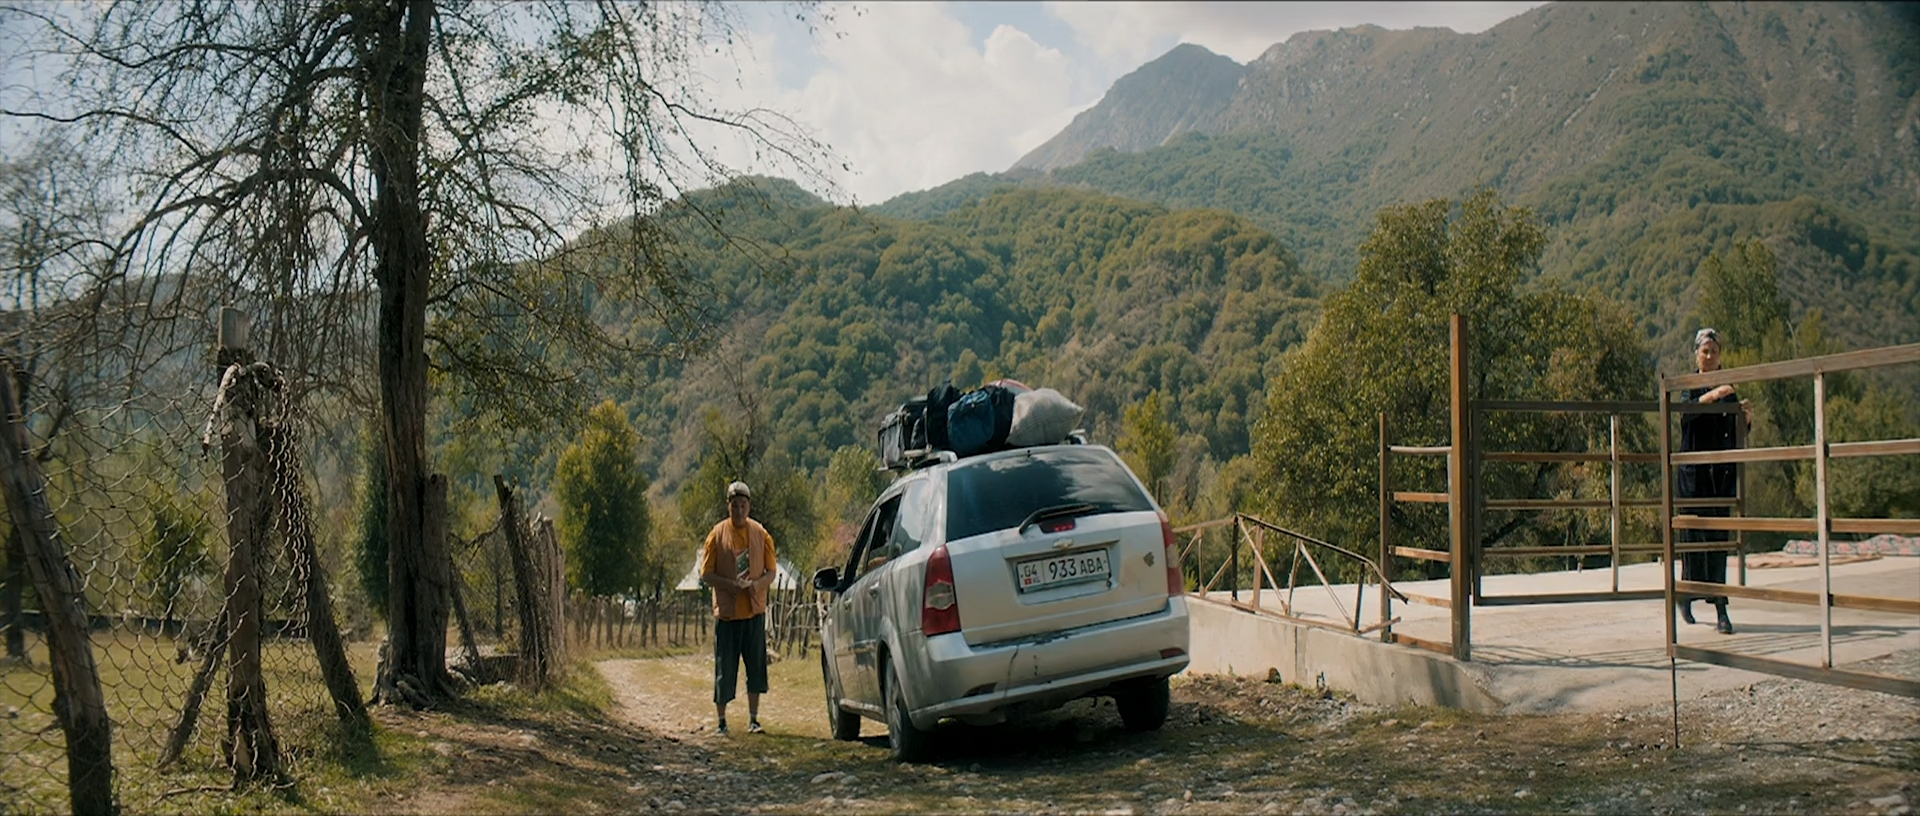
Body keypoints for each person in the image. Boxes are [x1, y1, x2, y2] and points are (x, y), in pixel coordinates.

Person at [1676, 328, 1748, 635]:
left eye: (1714, 351)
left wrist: (1745, 417)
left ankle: (1721, 607)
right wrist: (1712, 396)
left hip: (1720, 476)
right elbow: (1685, 414)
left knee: (1719, 539)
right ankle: (1686, 595)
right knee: (1693, 539)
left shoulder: (1728, 388)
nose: (1709, 356)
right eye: (1705, 351)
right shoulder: (1688, 386)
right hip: (1693, 478)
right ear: (1696, 355)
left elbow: (1738, 430)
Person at [700, 480, 777, 735]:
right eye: (735, 505)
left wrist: (757, 585)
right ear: (728, 507)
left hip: (753, 612)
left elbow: (771, 572)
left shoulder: (761, 534)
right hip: (727, 615)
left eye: (743, 505)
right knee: (725, 669)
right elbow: (706, 574)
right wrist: (729, 586)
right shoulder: (717, 535)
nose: (739, 510)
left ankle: (754, 719)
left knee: (756, 668)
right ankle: (722, 722)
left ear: (749, 506)